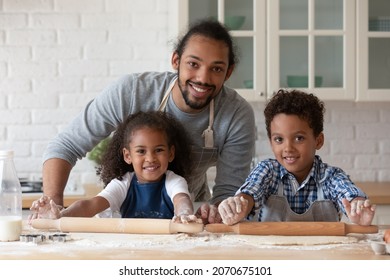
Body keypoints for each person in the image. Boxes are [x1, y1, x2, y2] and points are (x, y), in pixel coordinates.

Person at [41, 19, 256, 224]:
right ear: (176, 61)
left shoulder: (237, 114)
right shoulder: (132, 91)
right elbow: (65, 146)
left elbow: (229, 193)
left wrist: (218, 210)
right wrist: (54, 209)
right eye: (193, 64)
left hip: (190, 208)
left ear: (228, 73)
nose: (203, 78)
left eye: (216, 69)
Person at [218, 89, 376, 226]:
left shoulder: (331, 177)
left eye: (299, 138)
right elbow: (250, 192)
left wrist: (358, 206)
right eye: (279, 139)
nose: (288, 148)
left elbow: (348, 192)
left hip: (323, 258)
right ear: (271, 143)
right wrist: (238, 205)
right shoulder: (267, 171)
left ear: (318, 141)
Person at [30, 111, 199, 223]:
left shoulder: (174, 181)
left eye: (159, 150)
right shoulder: (122, 184)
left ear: (170, 153)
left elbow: (181, 200)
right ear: (128, 156)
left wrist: (184, 214)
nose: (150, 158)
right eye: (141, 151)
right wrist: (60, 215)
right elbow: (90, 205)